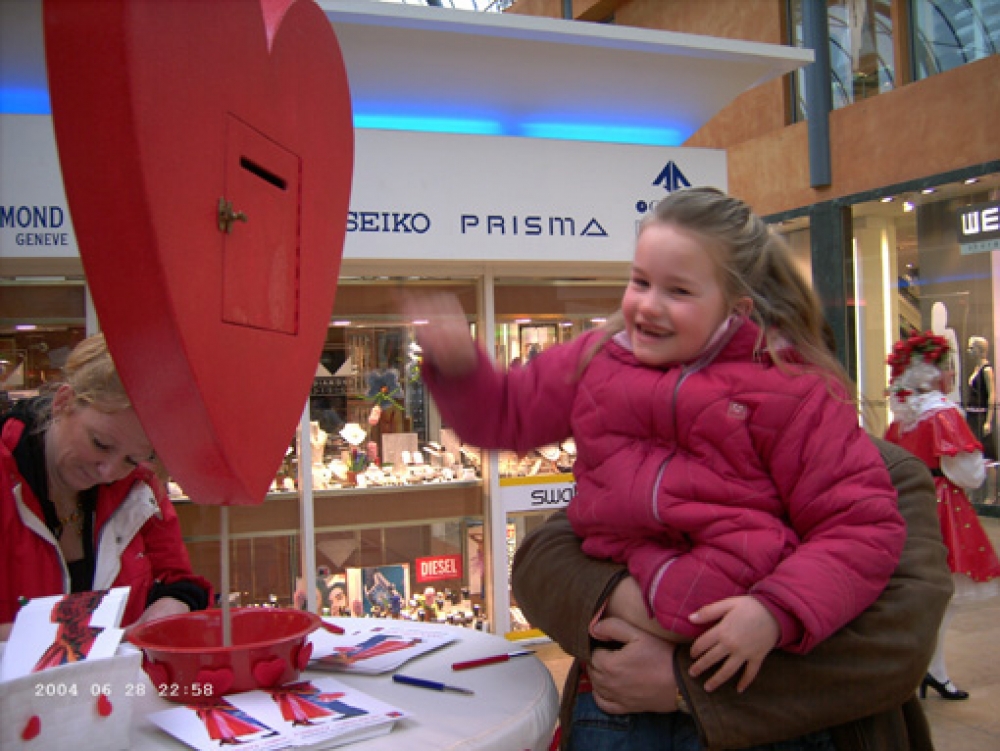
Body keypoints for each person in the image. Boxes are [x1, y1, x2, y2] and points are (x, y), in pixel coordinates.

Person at [410, 187, 905, 703]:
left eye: (678, 291)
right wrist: (461, 368)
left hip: (734, 625)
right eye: (640, 281)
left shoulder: (788, 390)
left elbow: (860, 525)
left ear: (734, 309)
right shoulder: (595, 358)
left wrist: (776, 612)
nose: (647, 305)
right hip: (619, 665)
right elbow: (507, 418)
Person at [512, 436, 952, 750]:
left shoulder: (884, 471)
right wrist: (632, 599)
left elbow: (897, 644)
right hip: (621, 722)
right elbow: (543, 558)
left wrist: (685, 686)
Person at [0, 333, 211, 638]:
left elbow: (178, 582)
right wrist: (57, 638)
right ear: (63, 402)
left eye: (131, 458)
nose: (109, 471)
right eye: (100, 444)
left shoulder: (140, 487)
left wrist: (173, 605)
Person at [884, 329, 1000, 700]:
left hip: (905, 505)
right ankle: (930, 670)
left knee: (920, 593)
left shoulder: (901, 416)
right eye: (946, 367)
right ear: (933, 374)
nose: (951, 373)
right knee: (942, 594)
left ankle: (926, 670)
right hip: (941, 507)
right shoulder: (944, 413)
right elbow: (968, 472)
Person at [965, 335, 996, 462]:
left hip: (980, 415)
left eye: (972, 348)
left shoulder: (987, 369)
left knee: (984, 448)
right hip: (972, 414)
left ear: (979, 349)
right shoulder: (976, 369)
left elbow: (992, 395)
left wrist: (988, 421)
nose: (969, 350)